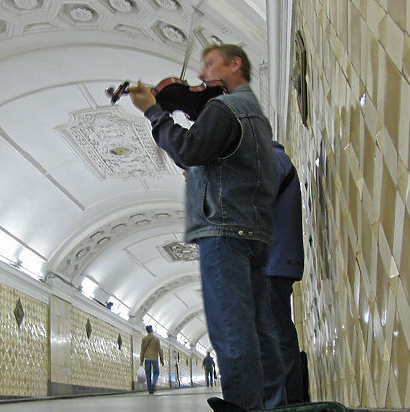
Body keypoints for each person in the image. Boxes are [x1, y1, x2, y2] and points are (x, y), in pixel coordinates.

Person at [129, 44, 286, 411]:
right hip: (257, 233)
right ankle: (275, 405)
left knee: (231, 330)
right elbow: (221, 158)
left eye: (210, 64)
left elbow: (187, 148)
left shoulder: (225, 107)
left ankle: (244, 406)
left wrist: (153, 111)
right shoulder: (256, 116)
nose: (200, 75)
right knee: (263, 329)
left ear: (236, 64)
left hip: (224, 233)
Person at [263, 141, 305, 404]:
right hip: (269, 263)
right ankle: (281, 402)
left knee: (277, 338)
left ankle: (284, 404)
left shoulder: (273, 157)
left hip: (272, 263)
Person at [140, 325, 164, 394]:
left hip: (147, 359)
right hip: (154, 359)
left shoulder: (144, 339)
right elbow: (159, 350)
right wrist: (161, 360)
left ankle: (150, 389)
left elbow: (142, 351)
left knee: (148, 374)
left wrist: (141, 361)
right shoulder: (156, 339)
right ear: (152, 330)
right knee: (156, 373)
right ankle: (154, 383)